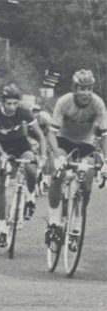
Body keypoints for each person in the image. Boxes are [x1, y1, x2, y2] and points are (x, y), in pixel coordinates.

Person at [44, 69, 107, 248]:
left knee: (86, 179)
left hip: (86, 143)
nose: (86, 93)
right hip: (63, 140)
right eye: (82, 88)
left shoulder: (98, 104)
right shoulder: (64, 102)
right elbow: (51, 133)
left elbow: (104, 135)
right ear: (74, 88)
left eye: (89, 89)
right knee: (59, 173)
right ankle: (54, 222)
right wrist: (57, 156)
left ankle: (77, 225)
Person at [0, 84, 47, 247]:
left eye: (15, 103)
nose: (12, 107)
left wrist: (42, 156)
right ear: (2, 102)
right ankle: (1, 226)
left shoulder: (24, 111)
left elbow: (41, 136)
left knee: (31, 167)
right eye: (9, 104)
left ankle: (30, 197)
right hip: (0, 145)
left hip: (20, 142)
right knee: (0, 183)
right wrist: (2, 154)